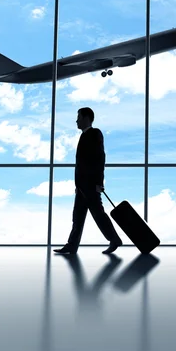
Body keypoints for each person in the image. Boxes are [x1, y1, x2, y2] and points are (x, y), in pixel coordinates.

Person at [54, 107, 123, 255]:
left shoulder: (95, 133)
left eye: (78, 117)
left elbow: (100, 158)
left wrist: (99, 183)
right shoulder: (84, 136)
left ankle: (114, 239)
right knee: (77, 218)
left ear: (86, 118)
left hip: (91, 185)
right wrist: (78, 185)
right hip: (82, 187)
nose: (76, 120)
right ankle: (72, 245)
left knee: (98, 215)